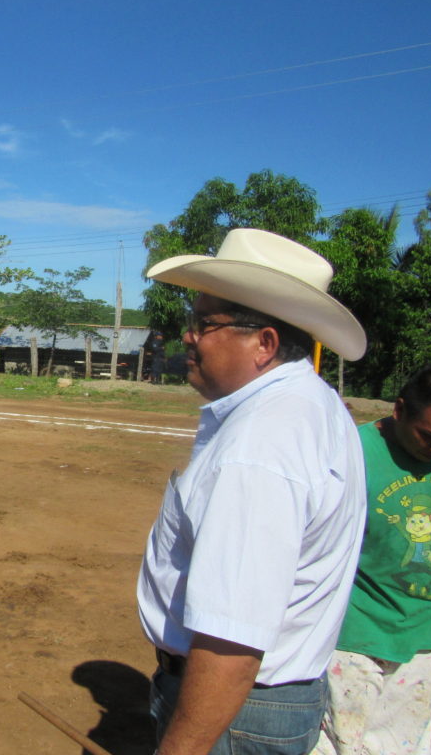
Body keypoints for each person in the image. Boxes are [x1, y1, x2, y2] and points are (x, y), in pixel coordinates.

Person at [136, 228, 370, 755]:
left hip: (236, 711)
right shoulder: (314, 405)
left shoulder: (259, 447)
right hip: (267, 703)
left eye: (203, 324)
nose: (188, 337)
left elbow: (232, 638)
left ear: (264, 343)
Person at [314, 368, 431, 755]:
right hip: (349, 633)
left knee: (402, 747)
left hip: (422, 637)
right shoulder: (353, 450)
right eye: (430, 437)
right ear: (399, 410)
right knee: (339, 745)